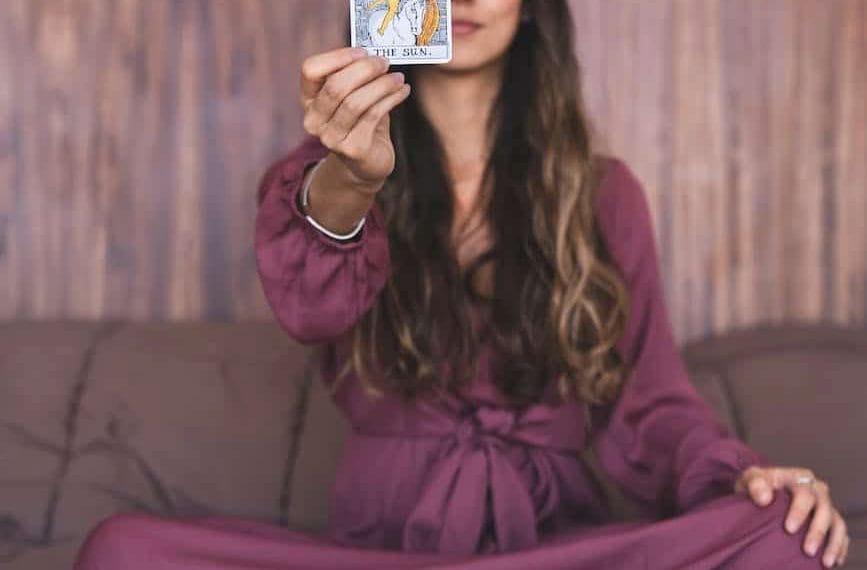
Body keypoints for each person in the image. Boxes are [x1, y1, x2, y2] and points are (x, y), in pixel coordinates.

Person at [73, 1, 850, 568]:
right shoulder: (319, 173)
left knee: (787, 533)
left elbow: (650, 409)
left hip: (558, 551)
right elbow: (312, 308)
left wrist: (742, 474)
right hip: (379, 550)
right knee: (121, 551)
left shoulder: (604, 193)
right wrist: (349, 179)